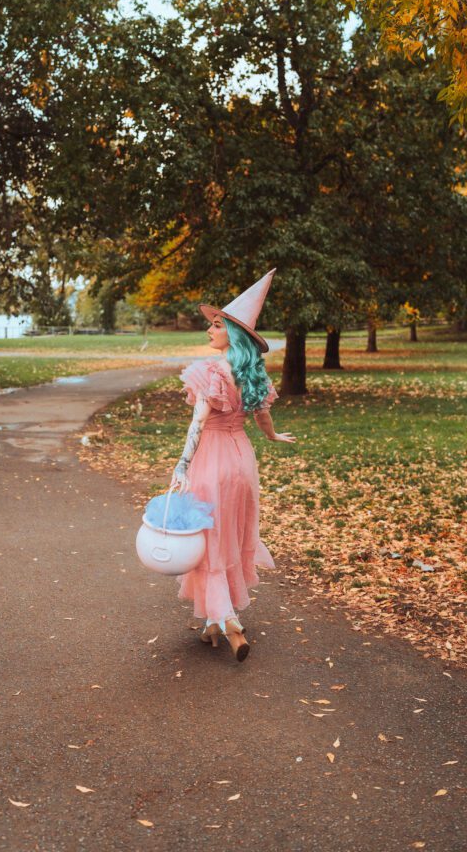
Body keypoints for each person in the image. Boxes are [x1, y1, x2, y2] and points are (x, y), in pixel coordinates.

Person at [171, 269, 295, 661]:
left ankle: (230, 623)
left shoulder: (210, 372)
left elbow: (198, 424)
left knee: (209, 541)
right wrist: (272, 437)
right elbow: (261, 415)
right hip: (242, 462)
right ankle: (213, 623)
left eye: (217, 325)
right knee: (229, 535)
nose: (210, 329)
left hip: (212, 460)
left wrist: (182, 465)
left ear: (233, 334)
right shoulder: (252, 373)